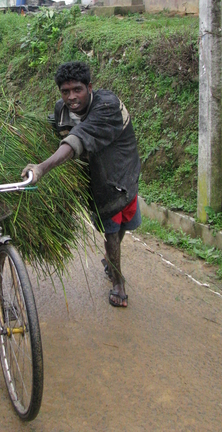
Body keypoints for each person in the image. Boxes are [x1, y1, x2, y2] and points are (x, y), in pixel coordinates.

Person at [22, 61, 141, 307]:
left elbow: (78, 139)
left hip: (121, 173)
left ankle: (110, 258)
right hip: (96, 182)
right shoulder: (61, 111)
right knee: (110, 230)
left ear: (89, 87)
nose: (72, 97)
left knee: (128, 224)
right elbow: (57, 133)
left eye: (77, 89)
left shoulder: (107, 105)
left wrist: (42, 167)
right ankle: (118, 282)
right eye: (65, 92)